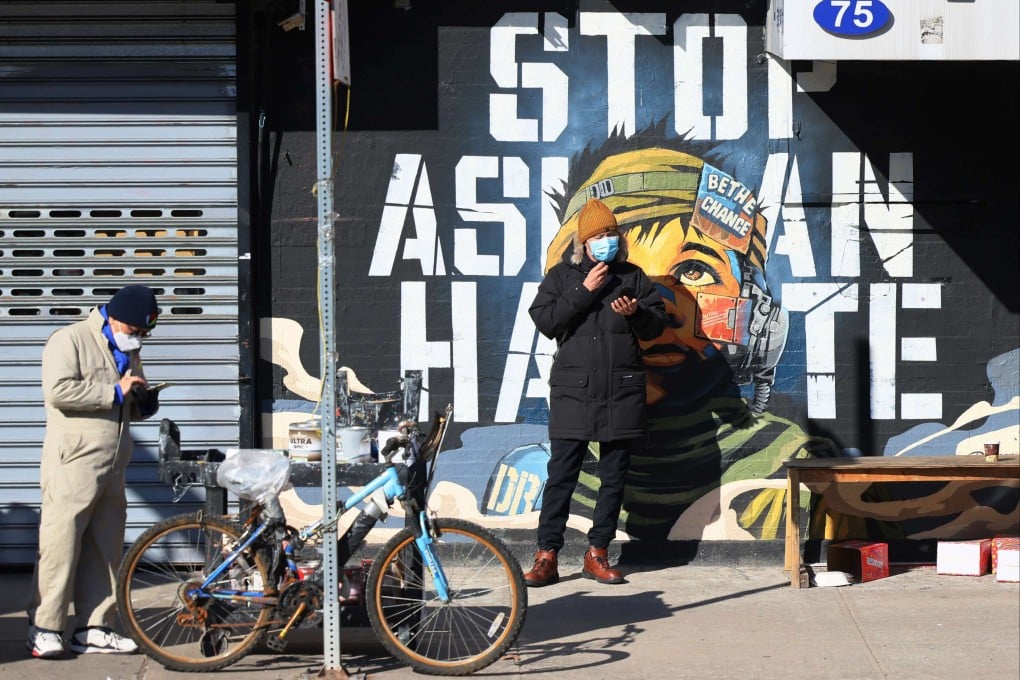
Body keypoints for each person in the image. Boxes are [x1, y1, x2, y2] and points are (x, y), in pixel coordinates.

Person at [525, 197, 667, 586]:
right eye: (598, 236)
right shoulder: (562, 277)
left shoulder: (633, 277)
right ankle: (546, 555)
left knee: (613, 477)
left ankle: (597, 552)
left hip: (621, 392)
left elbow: (656, 328)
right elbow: (547, 321)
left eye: (611, 234)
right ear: (583, 243)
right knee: (561, 477)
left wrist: (635, 313)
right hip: (574, 392)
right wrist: (584, 291)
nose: (606, 241)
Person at [26, 284, 161, 658]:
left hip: (113, 462)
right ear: (115, 317)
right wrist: (114, 391)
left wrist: (142, 401)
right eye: (135, 331)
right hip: (72, 461)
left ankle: (95, 627)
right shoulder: (69, 339)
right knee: (60, 544)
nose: (138, 338)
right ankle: (44, 627)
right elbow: (58, 391)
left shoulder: (127, 347)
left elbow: (127, 400)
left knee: (105, 548)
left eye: (143, 334)